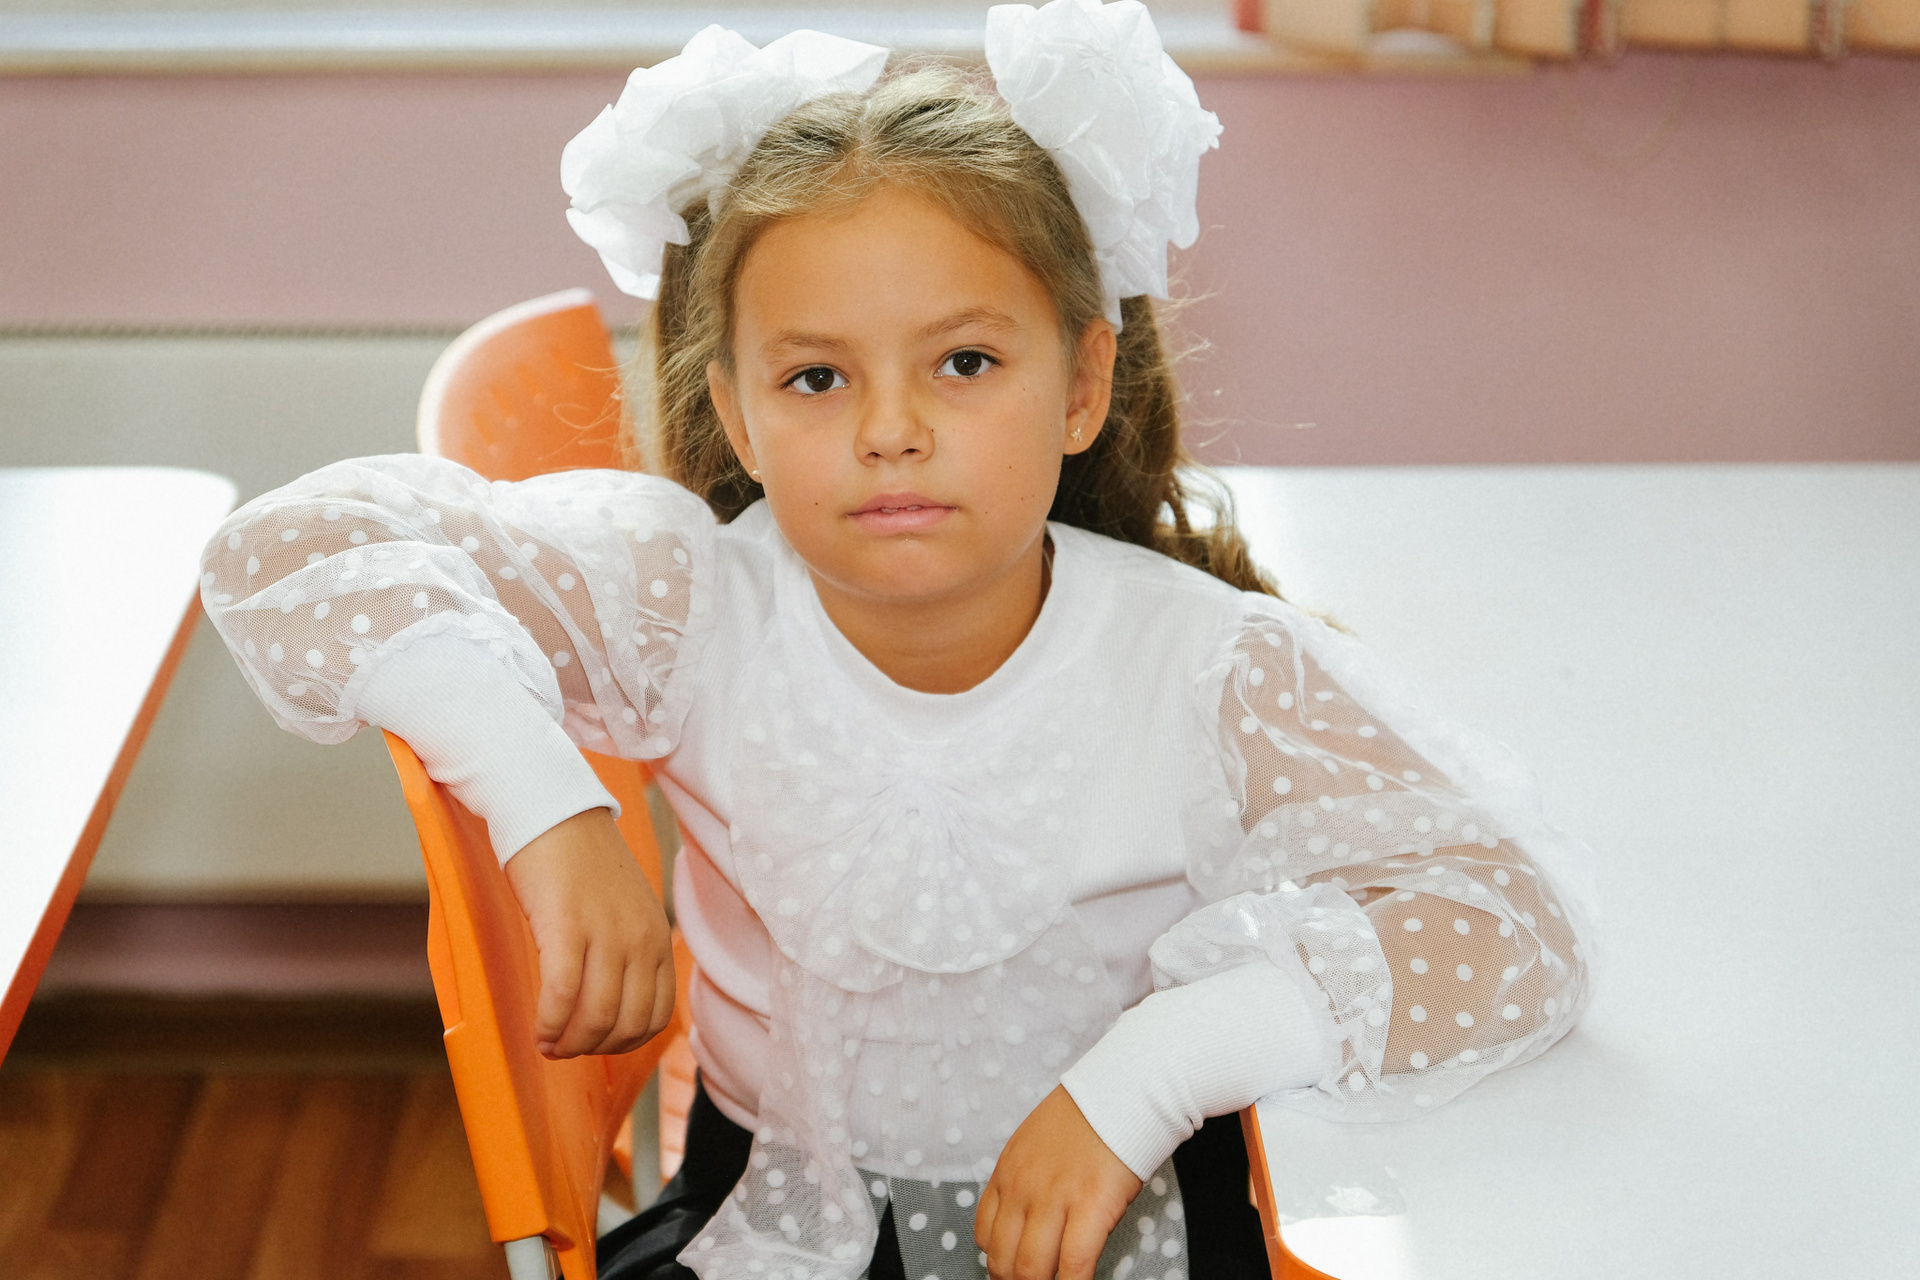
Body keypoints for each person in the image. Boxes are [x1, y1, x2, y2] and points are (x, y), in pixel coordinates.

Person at [197, 4, 1593, 1278]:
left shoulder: (1205, 662)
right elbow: (295, 548)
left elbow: (1513, 929)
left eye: (963, 363)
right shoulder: (694, 600)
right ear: (739, 416)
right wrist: (548, 807)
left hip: (1133, 1212)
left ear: (1082, 383)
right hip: (770, 1224)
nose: (889, 430)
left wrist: (1150, 1075)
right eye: (817, 377)